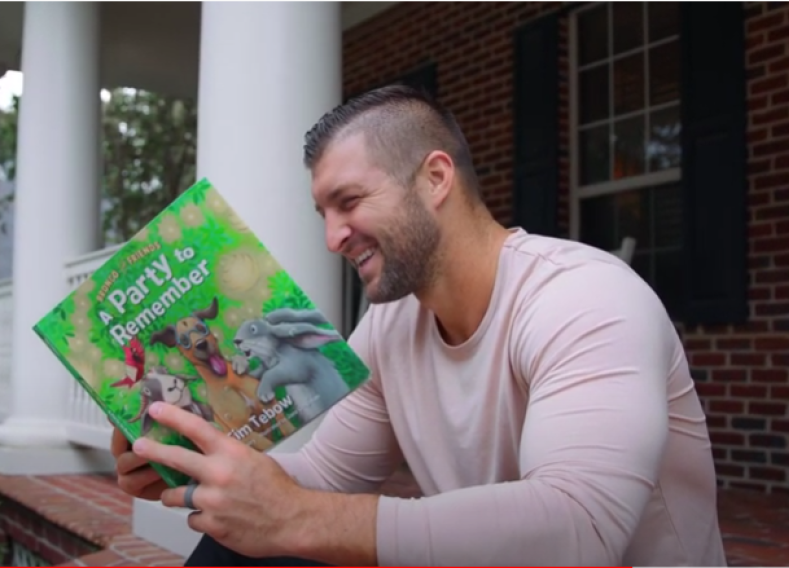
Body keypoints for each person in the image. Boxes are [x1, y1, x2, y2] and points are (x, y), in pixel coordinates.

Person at [110, 84, 728, 567]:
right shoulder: (390, 325)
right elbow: (323, 477)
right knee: (246, 540)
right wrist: (189, 470)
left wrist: (296, 517)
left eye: (349, 202)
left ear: (435, 179)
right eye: (323, 212)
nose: (332, 238)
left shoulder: (582, 296)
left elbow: (581, 531)